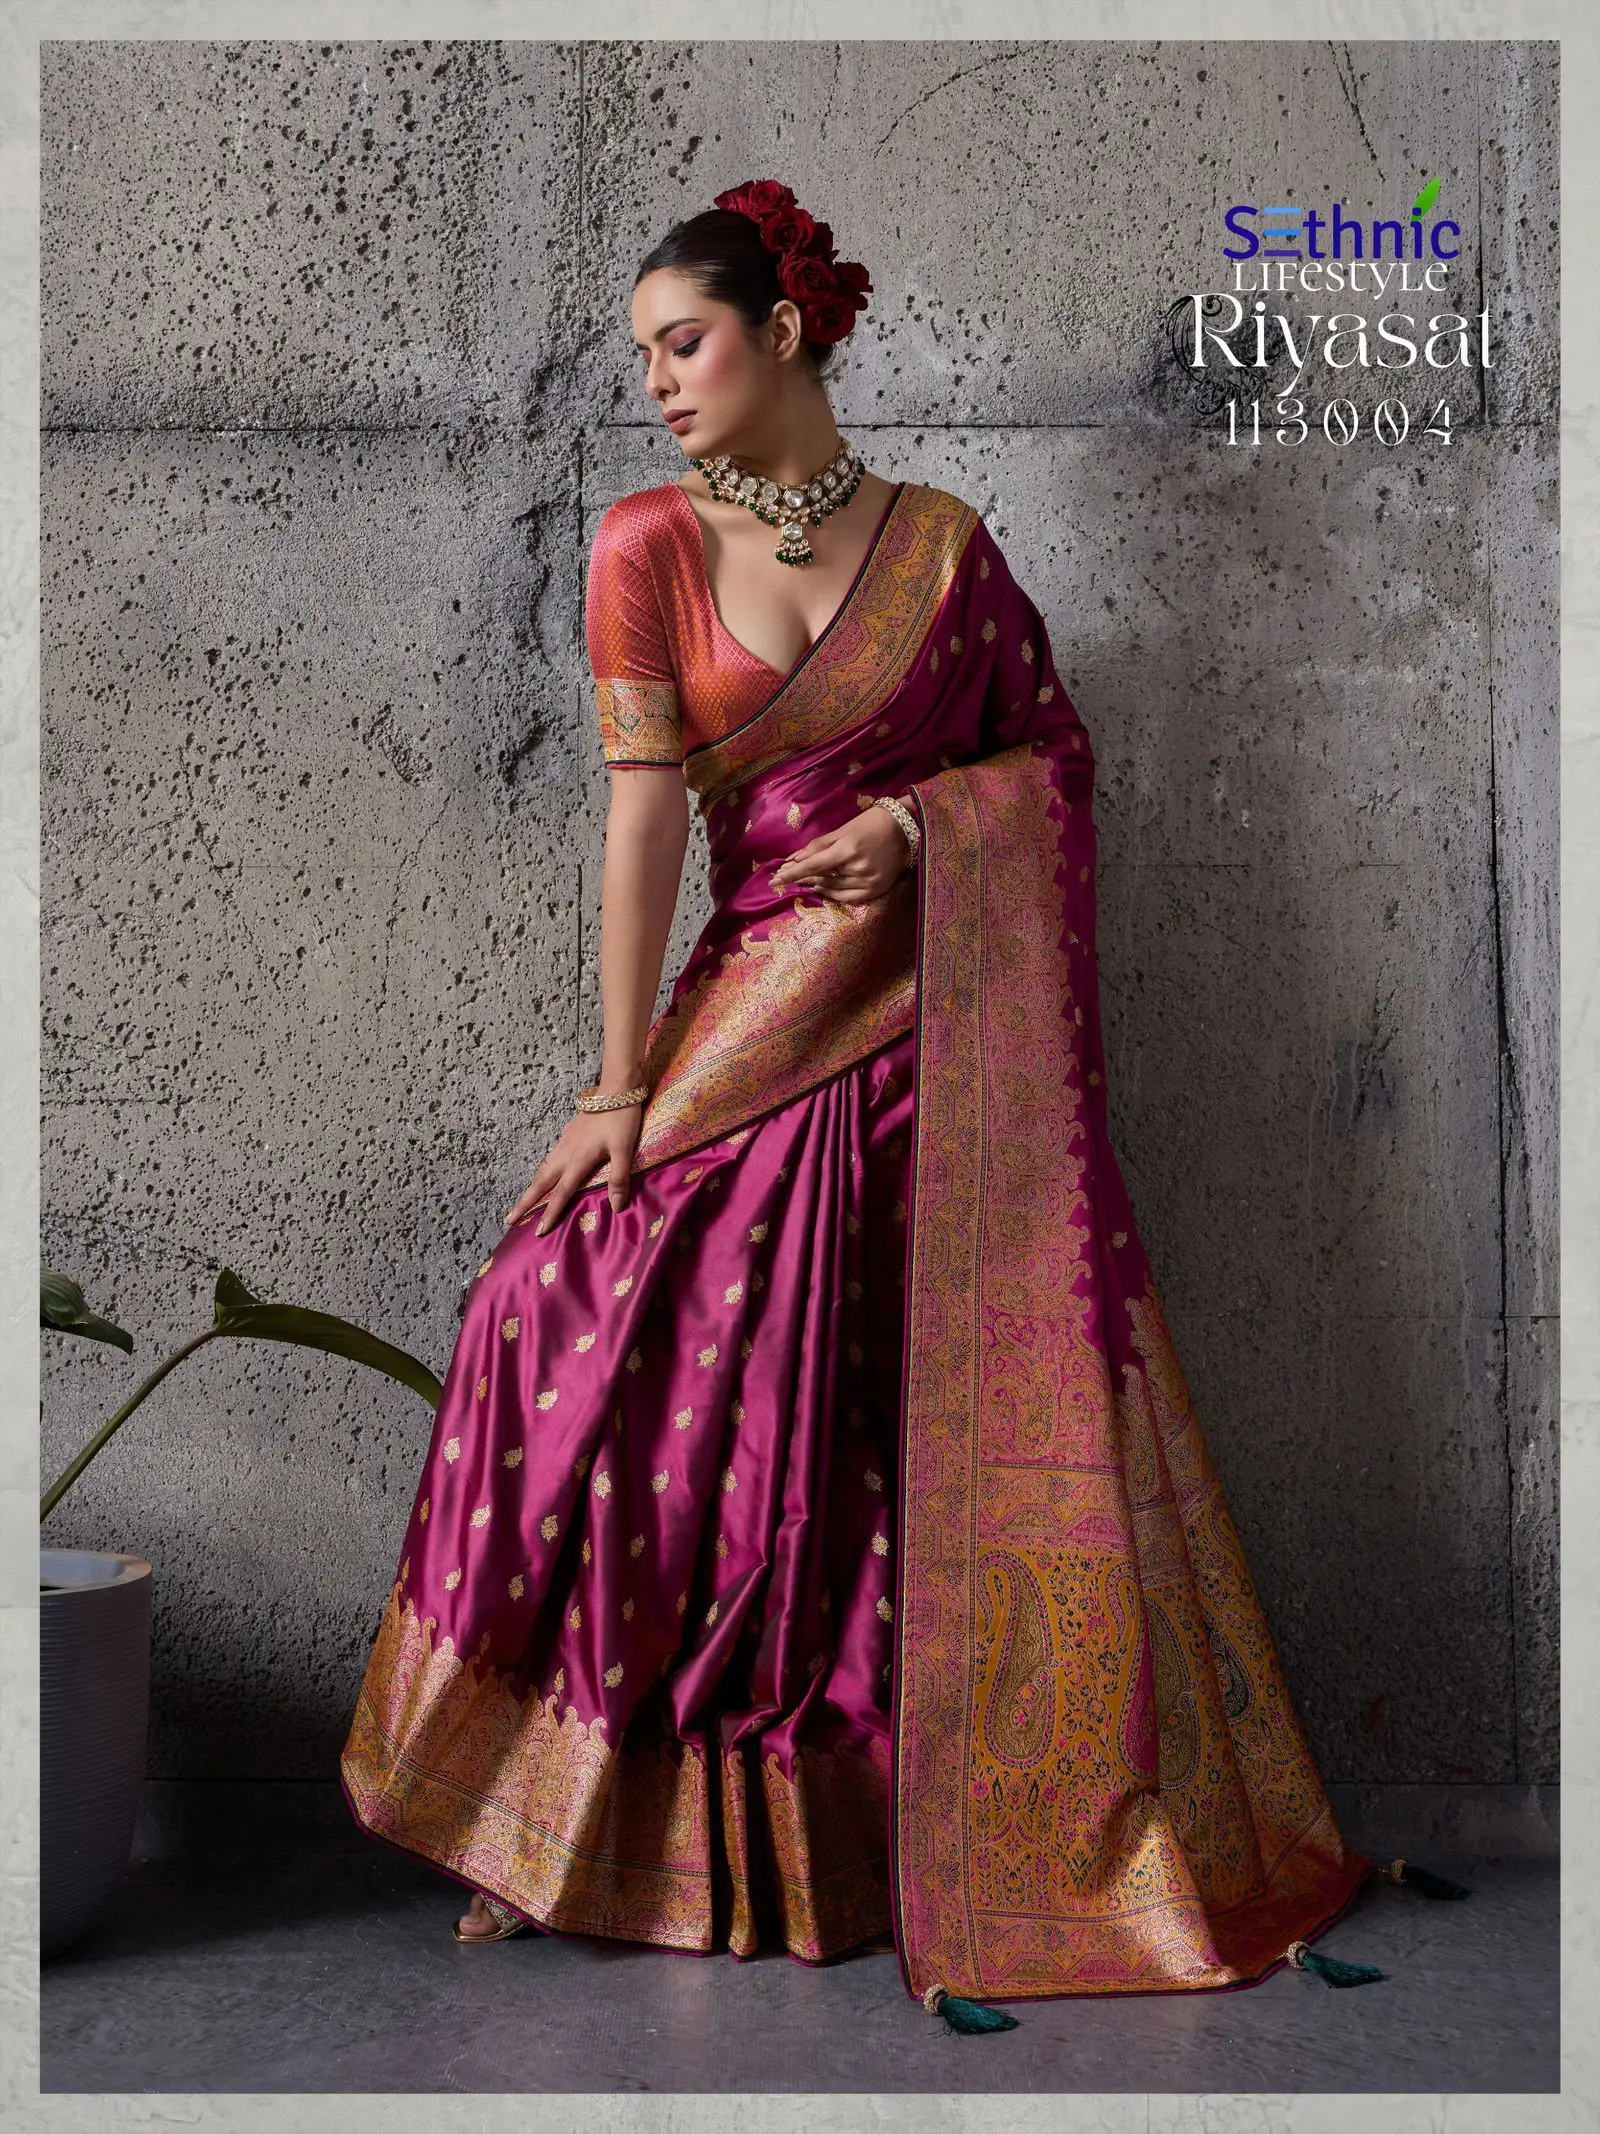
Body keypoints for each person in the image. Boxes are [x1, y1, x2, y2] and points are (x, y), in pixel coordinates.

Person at [340, 179, 1376, 2020]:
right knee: (546, 1307)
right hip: (754, 1011)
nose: (659, 381)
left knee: (856, 1446)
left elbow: (1049, 756)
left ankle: (886, 1830)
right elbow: (645, 823)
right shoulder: (646, 545)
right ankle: (547, 1814)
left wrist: (916, 828)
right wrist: (620, 1086)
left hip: (940, 1052)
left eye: (685, 341)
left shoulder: (947, 552)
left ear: (786, 327)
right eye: (643, 355)